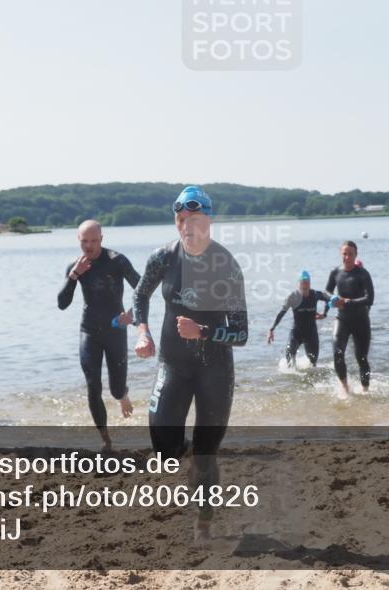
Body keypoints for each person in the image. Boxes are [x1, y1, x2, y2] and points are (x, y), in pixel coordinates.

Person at [132, 186, 248, 542]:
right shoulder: (162, 258)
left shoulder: (225, 265)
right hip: (173, 364)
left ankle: (204, 523)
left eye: (195, 219)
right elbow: (140, 294)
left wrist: (203, 331)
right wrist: (142, 332)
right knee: (165, 449)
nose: (188, 227)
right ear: (176, 221)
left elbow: (241, 333)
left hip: (215, 370)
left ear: (208, 221)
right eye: (182, 219)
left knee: (207, 454)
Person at [57, 220, 140, 449]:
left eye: (94, 241)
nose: (89, 246)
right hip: (89, 330)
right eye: (85, 241)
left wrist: (132, 314)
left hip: (115, 330)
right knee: (93, 384)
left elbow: (143, 287)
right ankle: (106, 440)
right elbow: (62, 304)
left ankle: (123, 394)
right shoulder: (76, 266)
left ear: (102, 239)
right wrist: (74, 275)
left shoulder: (117, 260)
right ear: (78, 240)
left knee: (115, 389)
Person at [325, 241, 374, 396]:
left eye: (350, 254)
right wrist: (333, 298)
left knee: (361, 358)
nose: (347, 257)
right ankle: (346, 388)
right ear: (341, 254)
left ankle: (365, 390)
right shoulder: (335, 272)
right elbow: (326, 291)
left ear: (355, 255)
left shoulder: (363, 274)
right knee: (337, 354)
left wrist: (347, 302)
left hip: (361, 320)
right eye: (344, 254)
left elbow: (370, 299)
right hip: (342, 319)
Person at [267, 270, 329, 368]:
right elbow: (281, 313)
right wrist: (271, 329)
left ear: (310, 283)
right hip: (296, 332)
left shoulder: (315, 294)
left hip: (311, 333)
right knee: (289, 354)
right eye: (302, 283)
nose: (304, 286)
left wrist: (324, 314)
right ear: (298, 285)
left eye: (307, 283)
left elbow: (329, 299)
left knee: (313, 363)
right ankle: (293, 372)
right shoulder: (293, 297)